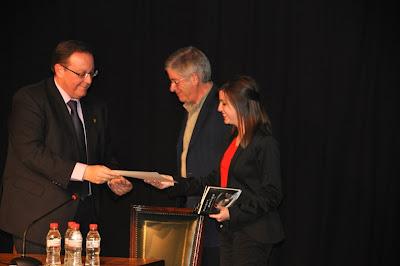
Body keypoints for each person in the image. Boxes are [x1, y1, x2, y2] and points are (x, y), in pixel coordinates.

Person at [0, 40, 132, 253]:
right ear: (59, 69)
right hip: (38, 216)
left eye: (92, 73)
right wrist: (85, 172)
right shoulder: (30, 99)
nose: (88, 80)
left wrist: (113, 179)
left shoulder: (96, 107)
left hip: (85, 218)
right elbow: (30, 152)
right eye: (81, 74)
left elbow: (104, 154)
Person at [146, 76, 285, 265]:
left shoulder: (265, 143)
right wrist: (173, 182)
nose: (219, 109)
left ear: (241, 105)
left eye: (224, 104)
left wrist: (233, 213)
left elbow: (272, 194)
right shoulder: (234, 140)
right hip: (230, 230)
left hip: (253, 233)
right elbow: (213, 180)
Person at [164, 46, 231, 265]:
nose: (171, 88)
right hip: (192, 215)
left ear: (194, 78)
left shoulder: (224, 108)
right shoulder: (191, 109)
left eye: (176, 81)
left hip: (217, 221)